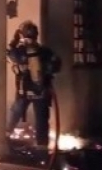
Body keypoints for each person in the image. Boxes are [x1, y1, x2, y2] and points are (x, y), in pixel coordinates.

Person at [6, 20, 62, 150]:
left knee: (14, 114)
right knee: (42, 120)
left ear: (22, 35)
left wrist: (14, 41)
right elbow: (57, 65)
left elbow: (9, 53)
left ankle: (5, 138)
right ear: (36, 35)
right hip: (42, 92)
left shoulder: (19, 52)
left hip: (24, 92)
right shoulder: (45, 51)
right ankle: (42, 147)